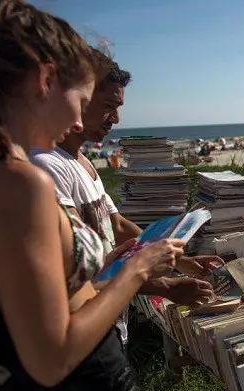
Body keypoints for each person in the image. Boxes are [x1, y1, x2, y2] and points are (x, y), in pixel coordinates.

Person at [0, 1, 182, 391]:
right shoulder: (21, 185)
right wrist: (137, 271)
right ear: (46, 80)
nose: (78, 120)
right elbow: (52, 357)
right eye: (78, 100)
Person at [30, 52, 220, 346]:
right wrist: (165, 286)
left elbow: (116, 225)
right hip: (80, 331)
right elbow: (75, 271)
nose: (116, 119)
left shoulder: (82, 160)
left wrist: (182, 260)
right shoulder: (46, 166)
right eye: (108, 106)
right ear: (78, 99)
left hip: (107, 320)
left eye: (117, 107)